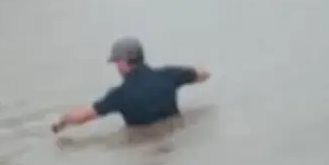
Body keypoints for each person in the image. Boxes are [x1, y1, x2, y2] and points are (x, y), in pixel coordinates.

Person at [51, 36, 211, 133]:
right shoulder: (168, 75)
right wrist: (203, 74)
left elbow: (85, 115)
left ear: (122, 62)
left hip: (145, 147)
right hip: (176, 135)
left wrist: (62, 120)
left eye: (115, 62)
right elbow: (201, 74)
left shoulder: (120, 95)